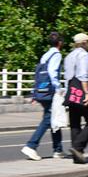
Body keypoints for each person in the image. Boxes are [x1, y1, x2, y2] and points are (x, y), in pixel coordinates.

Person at [21, 32, 66, 161]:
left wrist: (35, 93)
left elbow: (39, 75)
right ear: (60, 43)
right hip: (50, 92)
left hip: (41, 90)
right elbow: (52, 72)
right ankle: (31, 146)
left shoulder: (45, 55)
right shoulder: (56, 54)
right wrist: (58, 88)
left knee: (53, 120)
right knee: (49, 119)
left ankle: (58, 150)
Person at [64, 33, 88, 164]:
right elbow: (83, 74)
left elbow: (67, 76)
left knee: (75, 123)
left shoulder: (69, 56)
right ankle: (78, 147)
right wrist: (86, 93)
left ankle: (77, 156)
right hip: (80, 89)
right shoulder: (83, 54)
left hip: (70, 90)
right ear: (84, 43)